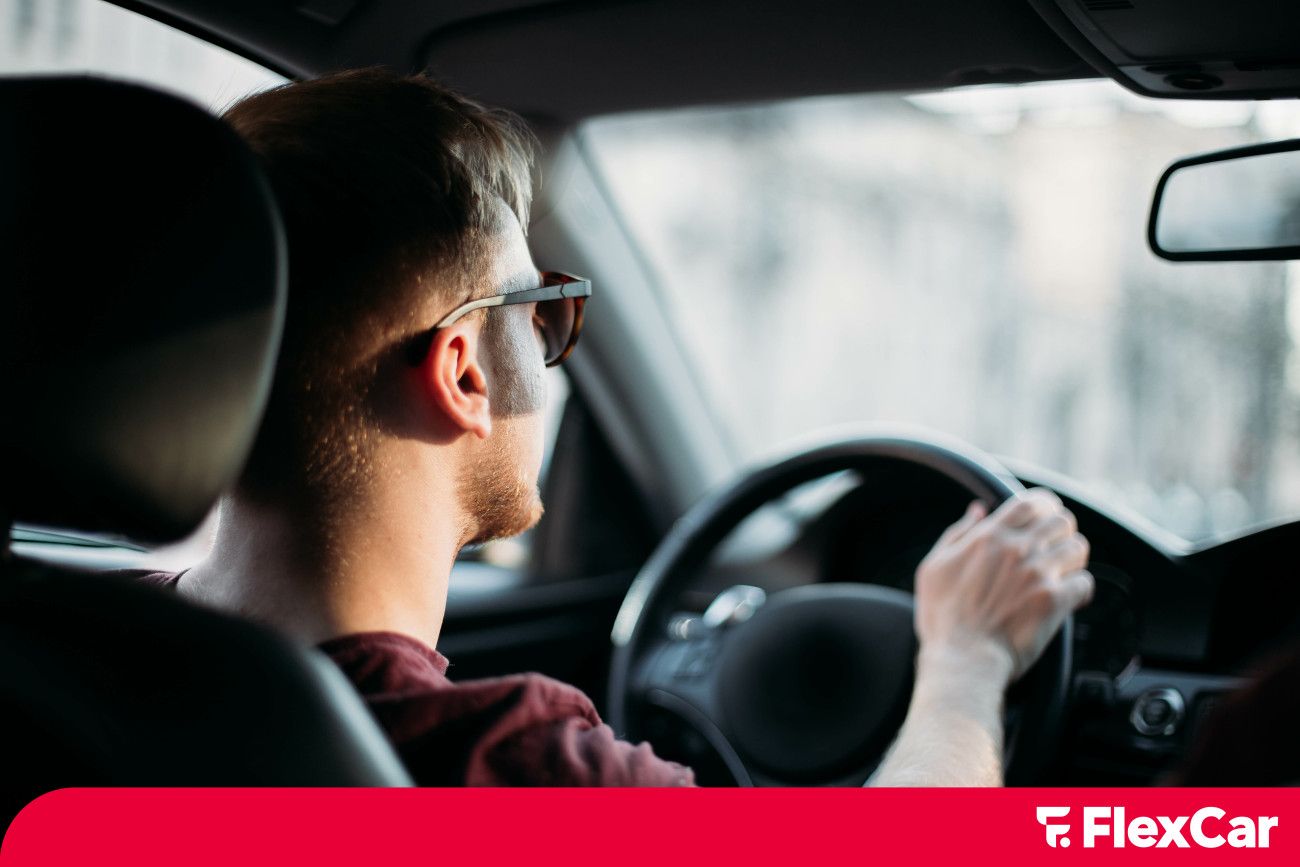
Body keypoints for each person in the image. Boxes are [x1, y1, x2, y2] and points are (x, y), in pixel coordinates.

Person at [141, 68, 1094, 786]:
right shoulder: (508, 763)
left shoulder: (82, 643)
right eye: (536, 309)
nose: (550, 347)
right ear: (465, 371)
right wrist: (966, 659)